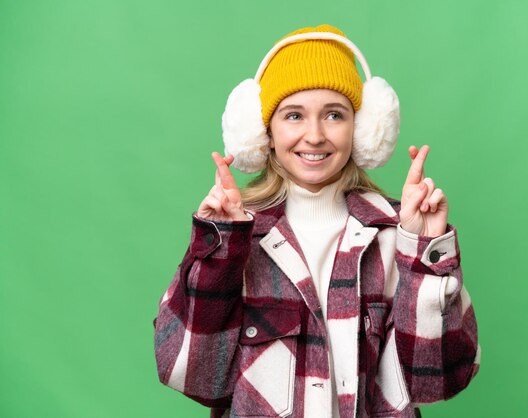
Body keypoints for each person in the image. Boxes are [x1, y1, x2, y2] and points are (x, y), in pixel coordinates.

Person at [154, 24, 480, 417]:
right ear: (264, 133)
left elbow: (439, 379)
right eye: (294, 115)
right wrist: (219, 252)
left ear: (361, 130)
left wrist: (423, 250)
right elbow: (190, 374)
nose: (314, 135)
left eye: (334, 115)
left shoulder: (397, 235)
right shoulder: (239, 236)